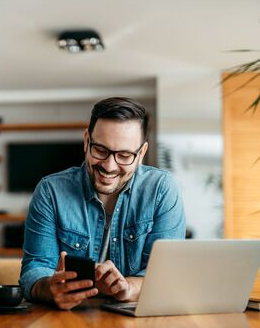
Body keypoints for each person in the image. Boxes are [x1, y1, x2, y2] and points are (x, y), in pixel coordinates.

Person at [19, 97, 186, 310]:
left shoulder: (162, 190)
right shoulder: (50, 191)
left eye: (124, 155)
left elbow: (167, 276)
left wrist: (128, 288)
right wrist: (49, 289)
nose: (109, 166)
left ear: (141, 153)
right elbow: (34, 270)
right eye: (100, 150)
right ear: (87, 140)